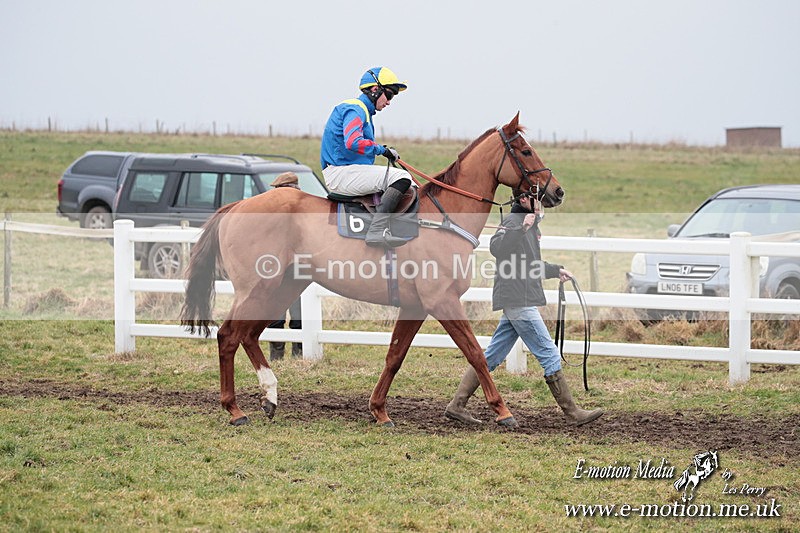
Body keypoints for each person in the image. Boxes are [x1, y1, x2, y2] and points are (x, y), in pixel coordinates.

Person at [445, 193, 603, 426]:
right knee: (548, 353)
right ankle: (572, 413)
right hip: (518, 300)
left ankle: (457, 405)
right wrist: (521, 228)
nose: (540, 204)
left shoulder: (528, 225)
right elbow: (497, 248)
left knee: (491, 356)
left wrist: (555, 270)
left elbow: (528, 264)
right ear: (524, 200)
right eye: (536, 199)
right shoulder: (513, 222)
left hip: (519, 298)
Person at [320, 66, 414, 248]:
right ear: (375, 89)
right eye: (389, 95)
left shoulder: (363, 111)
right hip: (341, 174)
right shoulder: (356, 109)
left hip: (348, 171)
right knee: (402, 177)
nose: (389, 102)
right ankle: (377, 230)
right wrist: (382, 150)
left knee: (412, 185)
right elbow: (353, 142)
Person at [267, 172, 303, 360]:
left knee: (297, 313)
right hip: (279, 266)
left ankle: (294, 352)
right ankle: (280, 353)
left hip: (294, 266)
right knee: (278, 312)